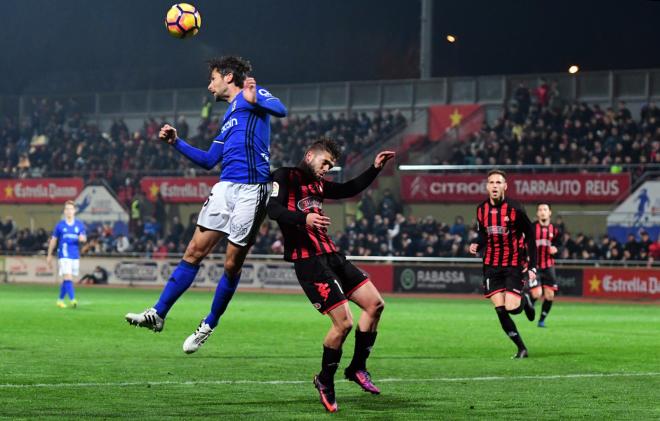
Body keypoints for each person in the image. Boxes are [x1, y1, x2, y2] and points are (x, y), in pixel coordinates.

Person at [125, 56, 287, 354]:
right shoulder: (227, 117)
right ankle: (158, 314)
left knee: (231, 264)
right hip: (226, 187)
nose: (209, 86)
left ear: (227, 77)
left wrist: (255, 98)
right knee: (193, 251)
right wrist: (176, 143)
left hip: (253, 190)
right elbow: (210, 160)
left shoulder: (254, 92)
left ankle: (209, 323)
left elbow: (281, 109)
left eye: (212, 79)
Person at [267, 137, 395, 413]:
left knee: (375, 305)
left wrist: (374, 168)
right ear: (310, 154)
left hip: (331, 254)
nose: (327, 168)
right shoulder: (284, 176)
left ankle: (357, 368)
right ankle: (325, 380)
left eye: (331, 165)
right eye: (325, 162)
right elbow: (273, 209)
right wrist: (305, 219)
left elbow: (349, 188)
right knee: (344, 323)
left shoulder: (319, 185)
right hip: (308, 260)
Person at [469, 170, 537, 359]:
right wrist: (477, 242)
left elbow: (530, 236)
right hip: (491, 265)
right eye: (491, 182)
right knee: (500, 309)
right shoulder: (481, 209)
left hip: (513, 264)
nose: (495, 186)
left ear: (505, 186)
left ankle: (526, 301)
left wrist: (533, 266)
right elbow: (483, 233)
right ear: (487, 186)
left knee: (512, 308)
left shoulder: (516, 209)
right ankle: (521, 348)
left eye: (499, 182)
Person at [522, 203, 560, 328]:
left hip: (548, 265)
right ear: (537, 213)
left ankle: (541, 320)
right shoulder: (531, 228)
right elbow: (522, 243)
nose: (542, 212)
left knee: (550, 295)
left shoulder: (554, 230)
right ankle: (527, 305)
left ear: (550, 212)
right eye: (540, 210)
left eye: (545, 209)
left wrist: (556, 249)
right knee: (537, 293)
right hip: (534, 265)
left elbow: (558, 244)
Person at [47, 200, 87, 308]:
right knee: (68, 277)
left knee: (68, 279)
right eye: (67, 209)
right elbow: (53, 240)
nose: (69, 211)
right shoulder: (60, 225)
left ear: (74, 211)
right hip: (64, 255)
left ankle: (60, 300)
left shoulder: (79, 225)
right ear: (64, 211)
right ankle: (73, 299)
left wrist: (82, 239)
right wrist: (49, 255)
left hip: (75, 255)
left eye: (71, 209)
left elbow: (83, 237)